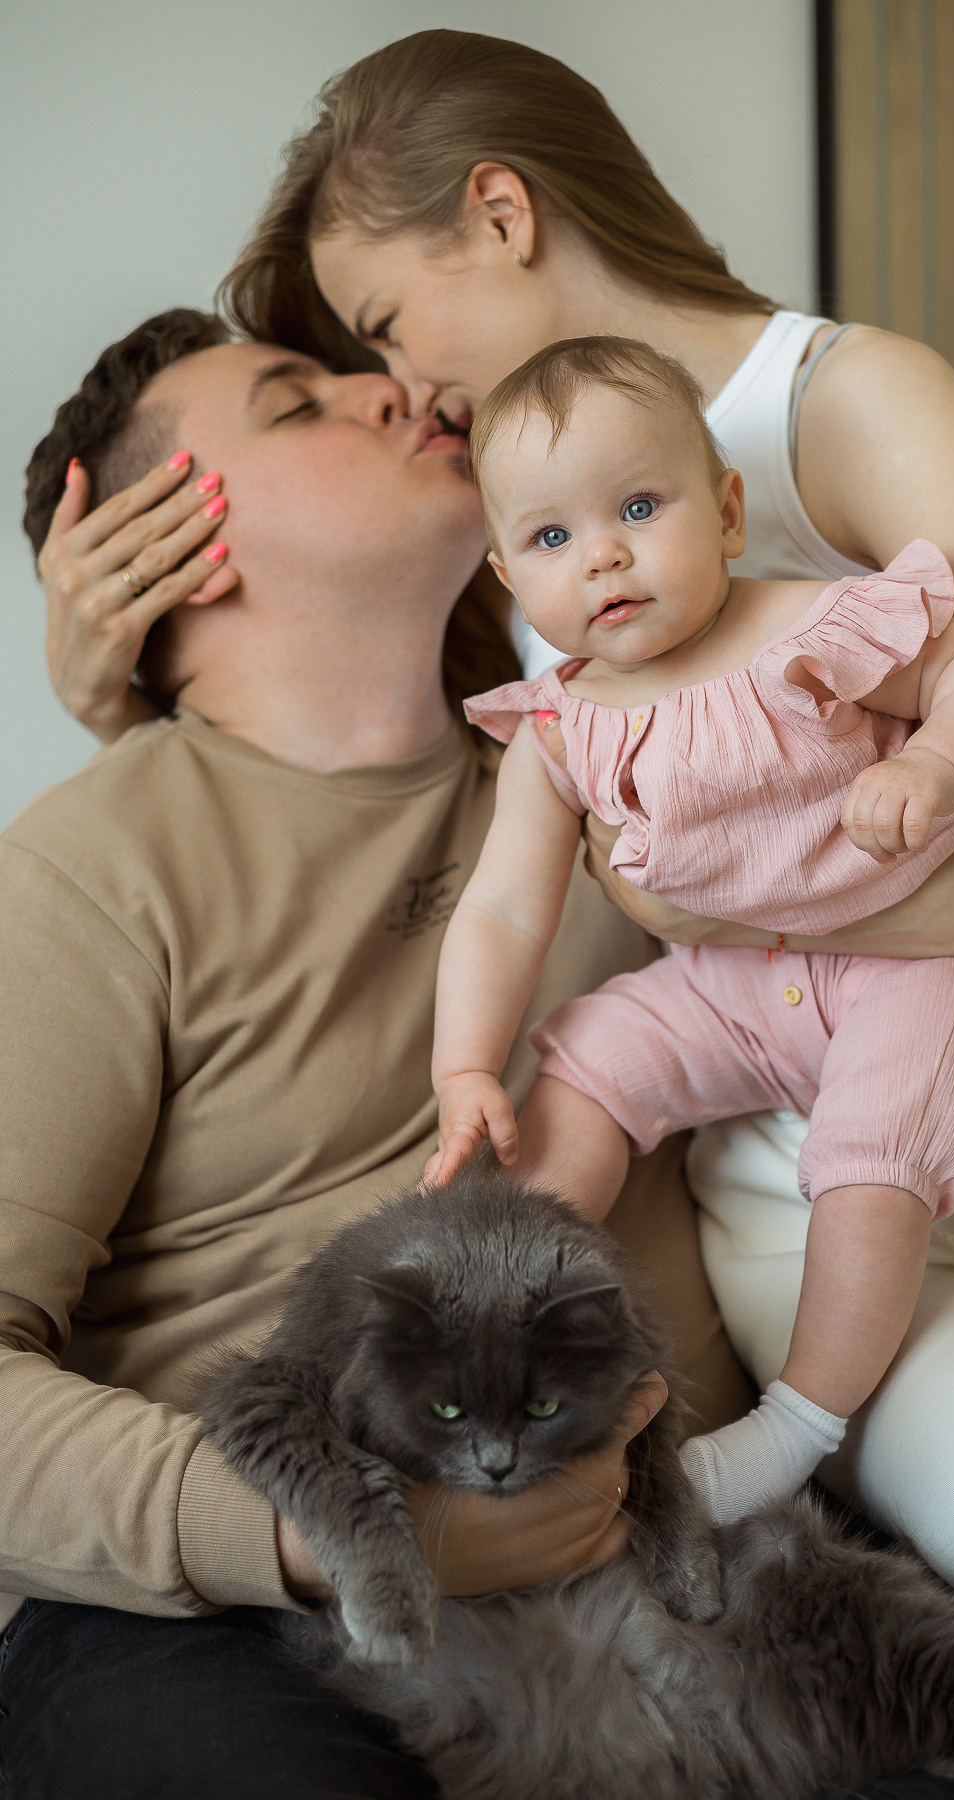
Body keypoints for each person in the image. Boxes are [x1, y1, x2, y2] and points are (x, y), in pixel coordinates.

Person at [29, 21, 954, 1761]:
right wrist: (115, 697)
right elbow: (280, 763)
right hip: (744, 1242)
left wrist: (794, 884)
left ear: (499, 217)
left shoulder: (747, 479)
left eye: (380, 338)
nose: (404, 393)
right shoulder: (481, 631)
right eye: (334, 376)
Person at [0, 309, 756, 1800]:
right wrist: (313, 1529)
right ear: (168, 542)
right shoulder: (91, 872)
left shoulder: (625, 795)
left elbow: (900, 926)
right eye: (299, 402)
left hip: (683, 1581)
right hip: (246, 1618)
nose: (393, 388)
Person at [427, 333, 954, 1527]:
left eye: (639, 505)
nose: (602, 553)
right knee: (586, 1061)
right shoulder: (559, 727)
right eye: (551, 538)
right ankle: (494, 1311)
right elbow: (503, 906)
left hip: (915, 962)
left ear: (723, 511)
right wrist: (464, 1065)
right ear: (510, 576)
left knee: (870, 1161)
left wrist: (936, 757)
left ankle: (796, 1425)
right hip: (723, 981)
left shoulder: (814, 631)